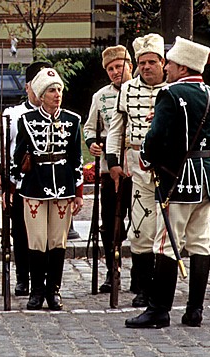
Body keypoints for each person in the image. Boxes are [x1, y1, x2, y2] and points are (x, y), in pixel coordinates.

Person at [126, 37, 210, 329]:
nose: (166, 67)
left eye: (169, 63)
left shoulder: (169, 94)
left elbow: (156, 139)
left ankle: (159, 310)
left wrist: (145, 157)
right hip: (204, 176)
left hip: (177, 178)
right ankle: (195, 310)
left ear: (182, 66)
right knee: (200, 242)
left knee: (166, 243)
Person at [12, 67, 84, 311]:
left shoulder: (72, 120)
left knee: (57, 241)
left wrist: (79, 191)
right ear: (41, 95)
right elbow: (17, 155)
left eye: (59, 90)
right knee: (37, 240)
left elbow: (76, 157)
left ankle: (54, 290)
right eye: (52, 90)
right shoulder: (26, 121)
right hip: (34, 187)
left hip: (63, 187)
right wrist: (12, 186)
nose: (57, 94)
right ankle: (36, 291)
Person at [106, 33, 167, 307]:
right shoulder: (127, 90)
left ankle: (161, 287)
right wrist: (113, 163)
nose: (146, 67)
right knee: (141, 230)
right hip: (138, 168)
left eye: (151, 62)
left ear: (162, 62)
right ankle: (142, 287)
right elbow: (117, 129)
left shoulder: (173, 88)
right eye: (141, 62)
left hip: (169, 170)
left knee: (164, 231)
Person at [0, 61, 50, 297]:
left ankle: (45, 279)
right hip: (21, 185)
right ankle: (23, 278)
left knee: (47, 237)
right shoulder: (12, 115)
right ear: (27, 87)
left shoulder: (57, 116)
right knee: (21, 235)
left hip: (48, 185)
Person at [83, 46, 133, 293]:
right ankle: (113, 270)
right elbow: (90, 127)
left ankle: (143, 272)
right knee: (111, 221)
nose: (115, 72)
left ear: (130, 66)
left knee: (142, 222)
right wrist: (91, 143)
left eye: (119, 66)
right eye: (110, 68)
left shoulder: (142, 92)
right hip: (108, 169)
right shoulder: (99, 97)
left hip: (138, 166)